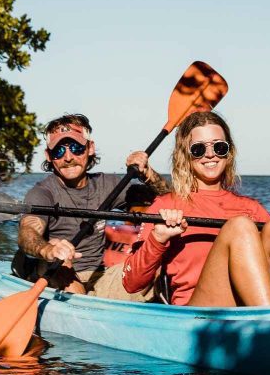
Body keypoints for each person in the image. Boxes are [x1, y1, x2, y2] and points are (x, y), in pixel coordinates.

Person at [122, 111, 270, 307]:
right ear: (185, 156)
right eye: (198, 149)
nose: (210, 155)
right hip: (200, 315)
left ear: (229, 152)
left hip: (249, 312)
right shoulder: (165, 205)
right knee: (239, 226)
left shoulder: (250, 208)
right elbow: (132, 284)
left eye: (219, 147)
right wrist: (158, 238)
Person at [12, 113, 168, 297]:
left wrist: (148, 174)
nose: (68, 157)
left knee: (154, 269)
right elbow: (27, 233)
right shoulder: (42, 193)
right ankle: (78, 300)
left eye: (76, 148)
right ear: (49, 156)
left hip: (98, 276)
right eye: (59, 151)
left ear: (90, 148)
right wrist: (49, 250)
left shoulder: (109, 185)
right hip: (53, 272)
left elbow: (166, 199)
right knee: (60, 256)